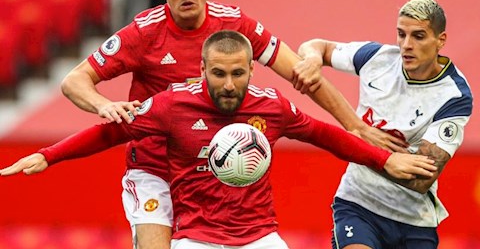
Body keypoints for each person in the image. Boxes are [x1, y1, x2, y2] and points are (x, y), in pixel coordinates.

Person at [59, 0, 403, 249]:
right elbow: (74, 81)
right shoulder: (142, 33)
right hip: (155, 170)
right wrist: (103, 104)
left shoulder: (236, 25)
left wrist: (354, 126)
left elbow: (301, 74)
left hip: (212, 170)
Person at [0, 31, 437, 249]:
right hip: (197, 239)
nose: (229, 84)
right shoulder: (171, 105)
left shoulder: (271, 106)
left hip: (260, 237)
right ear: (203, 70)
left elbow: (326, 135)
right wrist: (46, 156)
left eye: (238, 73)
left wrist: (385, 160)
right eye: (219, 73)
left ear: (251, 69)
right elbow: (110, 131)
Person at [295, 0, 473, 249]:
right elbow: (316, 46)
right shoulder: (378, 58)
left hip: (414, 220)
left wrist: (359, 147)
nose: (406, 45)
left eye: (419, 36)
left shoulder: (454, 96)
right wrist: (313, 59)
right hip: (358, 204)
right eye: (401, 34)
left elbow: (421, 179)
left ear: (440, 40)